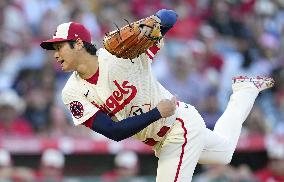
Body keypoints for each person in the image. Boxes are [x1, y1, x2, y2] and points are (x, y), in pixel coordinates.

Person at [40, 9, 275, 182]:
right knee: (223, 153)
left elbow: (170, 17)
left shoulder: (119, 54)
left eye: (59, 46)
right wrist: (156, 113)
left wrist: (150, 23)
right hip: (160, 134)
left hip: (178, 126)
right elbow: (113, 132)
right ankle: (245, 91)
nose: (55, 54)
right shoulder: (71, 92)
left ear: (78, 44)